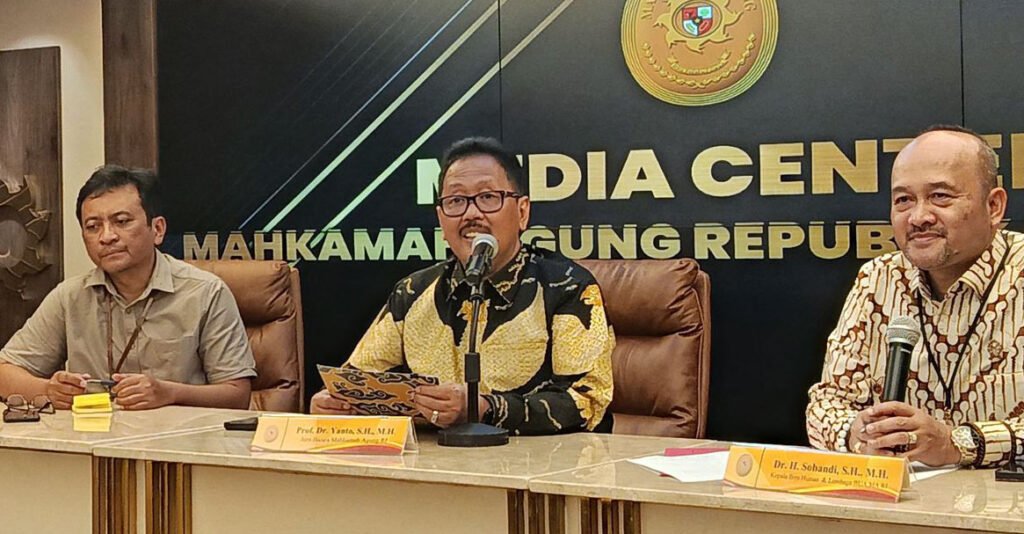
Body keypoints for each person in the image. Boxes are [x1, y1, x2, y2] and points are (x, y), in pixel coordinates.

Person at [312, 137, 614, 435]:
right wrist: (336, 402)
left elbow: (587, 401)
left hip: (540, 462)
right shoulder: (413, 292)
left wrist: (483, 408)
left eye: (488, 197)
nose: (471, 214)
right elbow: (356, 380)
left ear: (522, 212)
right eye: (456, 201)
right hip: (434, 462)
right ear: (441, 219)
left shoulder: (567, 287)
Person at [807, 125, 1023, 468]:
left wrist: (957, 444)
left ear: (994, 206)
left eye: (940, 196)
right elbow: (826, 402)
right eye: (903, 200)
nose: (919, 217)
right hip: (903, 496)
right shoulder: (878, 278)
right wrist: (856, 434)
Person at [0, 165, 256, 410]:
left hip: (179, 437)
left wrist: (171, 393)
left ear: (157, 229)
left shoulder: (206, 292)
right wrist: (48, 390)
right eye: (93, 227)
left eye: (121, 221)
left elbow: (237, 395)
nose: (107, 236)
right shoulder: (70, 297)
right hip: (93, 436)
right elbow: (5, 372)